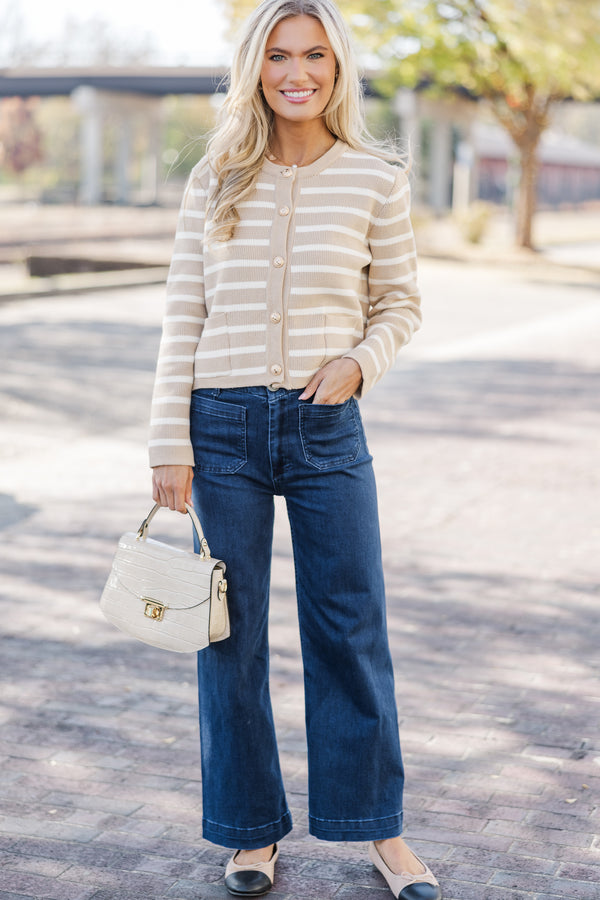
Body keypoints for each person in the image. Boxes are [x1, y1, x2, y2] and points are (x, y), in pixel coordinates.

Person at [149, 1, 441, 897]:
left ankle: (379, 831)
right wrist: (168, 438)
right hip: (222, 428)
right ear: (256, 67)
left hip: (325, 425)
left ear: (338, 67)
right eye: (279, 56)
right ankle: (249, 834)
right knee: (228, 638)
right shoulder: (218, 176)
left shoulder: (374, 179)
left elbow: (401, 303)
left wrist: (360, 361)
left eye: (314, 55)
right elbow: (182, 310)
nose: (297, 72)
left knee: (351, 627)